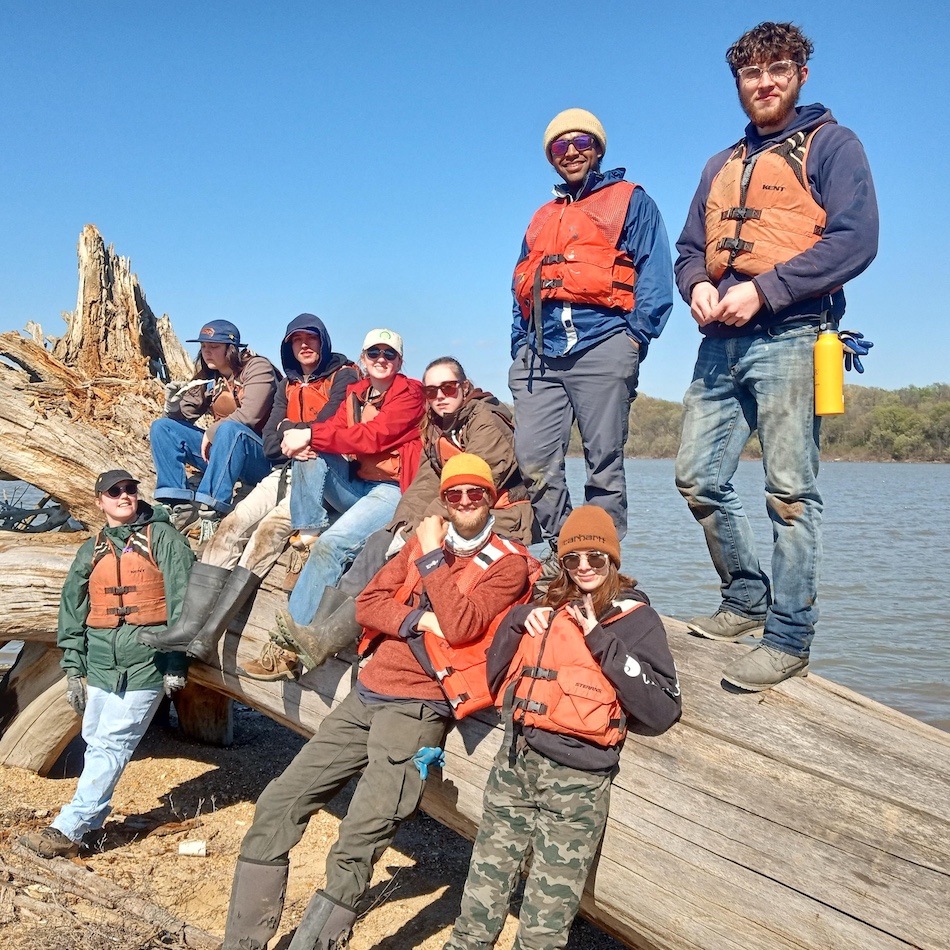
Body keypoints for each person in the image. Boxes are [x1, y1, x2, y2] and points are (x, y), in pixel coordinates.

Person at [220, 454, 532, 950]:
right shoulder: (416, 546)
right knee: (280, 801)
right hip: (366, 693)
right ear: (446, 501)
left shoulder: (508, 564)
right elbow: (367, 603)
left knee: (362, 833)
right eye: (455, 494)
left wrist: (430, 559)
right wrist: (413, 619)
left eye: (476, 494)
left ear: (491, 499)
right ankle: (242, 942)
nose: (466, 502)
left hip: (421, 707)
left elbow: (461, 624)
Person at [673, 21, 879, 690]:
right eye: (752, 73)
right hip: (718, 344)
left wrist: (767, 290)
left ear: (801, 75)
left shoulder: (833, 145)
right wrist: (698, 287)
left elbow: (856, 239)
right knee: (697, 479)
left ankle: (789, 636)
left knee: (790, 494)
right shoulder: (719, 164)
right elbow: (686, 252)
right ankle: (744, 598)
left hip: (793, 335)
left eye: (779, 70)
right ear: (738, 81)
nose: (765, 82)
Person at [443, 505, 681, 950]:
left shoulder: (636, 621)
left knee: (544, 922)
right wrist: (517, 623)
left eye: (596, 557)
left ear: (613, 560)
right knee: (481, 894)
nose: (584, 567)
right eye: (573, 559)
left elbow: (663, 709)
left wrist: (600, 641)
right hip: (515, 765)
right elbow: (496, 675)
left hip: (577, 783)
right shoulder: (547, 603)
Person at [244, 356, 536, 679]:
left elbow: (470, 486)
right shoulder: (437, 425)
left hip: (495, 515)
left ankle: (326, 639)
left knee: (404, 559)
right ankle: (316, 635)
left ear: (465, 387)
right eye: (431, 391)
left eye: (448, 388)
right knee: (378, 544)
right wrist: (402, 525)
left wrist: (421, 530)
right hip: (451, 511)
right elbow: (425, 484)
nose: (439, 396)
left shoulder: (487, 422)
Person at [139, 314, 357, 666]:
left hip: (321, 469)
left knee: (266, 534)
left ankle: (211, 634)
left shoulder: (341, 374)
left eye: (311, 338)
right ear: (288, 346)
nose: (304, 345)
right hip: (284, 465)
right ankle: (187, 626)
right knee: (234, 525)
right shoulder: (286, 384)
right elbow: (272, 442)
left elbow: (329, 423)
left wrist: (298, 432)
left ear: (323, 341)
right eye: (296, 340)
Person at [509, 108, 673, 554]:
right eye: (561, 146)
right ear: (550, 156)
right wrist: (518, 344)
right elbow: (520, 283)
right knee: (534, 459)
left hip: (604, 343)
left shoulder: (631, 200)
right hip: (540, 355)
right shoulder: (541, 216)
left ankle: (600, 561)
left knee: (604, 462)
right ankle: (566, 552)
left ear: (598, 149)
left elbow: (655, 274)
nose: (572, 152)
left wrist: (635, 337)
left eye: (582, 143)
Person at [18, 470, 195, 858]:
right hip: (99, 661)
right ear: (100, 500)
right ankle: (92, 826)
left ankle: (69, 828)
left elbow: (184, 602)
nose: (124, 496)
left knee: (112, 745)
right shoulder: (93, 547)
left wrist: (175, 661)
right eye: (114, 492)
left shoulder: (162, 538)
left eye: (130, 489)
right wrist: (73, 668)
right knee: (95, 739)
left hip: (146, 659)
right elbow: (72, 607)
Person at [258, 329, 423, 638]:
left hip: (391, 490)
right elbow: (329, 428)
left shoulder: (411, 394)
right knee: (311, 451)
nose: (381, 359)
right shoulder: (357, 393)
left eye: (389, 354)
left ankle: (290, 640)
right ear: (363, 358)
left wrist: (305, 434)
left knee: (333, 546)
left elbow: (373, 436)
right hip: (357, 484)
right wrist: (301, 436)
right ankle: (307, 533)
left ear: (399, 361)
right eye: (374, 353)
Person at [149, 319, 279, 532]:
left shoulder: (258, 368)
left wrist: (212, 432)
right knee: (163, 427)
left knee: (229, 429)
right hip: (225, 455)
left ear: (232, 348)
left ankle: (211, 508)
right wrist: (172, 407)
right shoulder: (210, 379)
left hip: (262, 459)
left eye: (214, 346)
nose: (207, 352)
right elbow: (182, 420)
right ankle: (176, 503)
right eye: (203, 347)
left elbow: (250, 415)